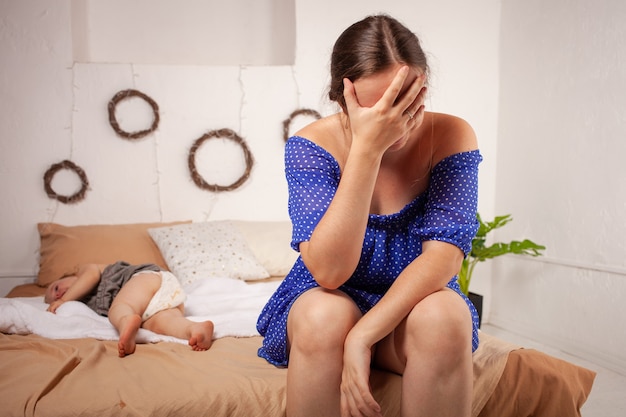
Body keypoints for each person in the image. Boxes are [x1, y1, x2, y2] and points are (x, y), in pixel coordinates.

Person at [256, 14, 481, 417]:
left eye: (404, 103)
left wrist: (363, 336)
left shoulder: (452, 135)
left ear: (423, 88)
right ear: (341, 98)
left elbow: (444, 257)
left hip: (409, 310)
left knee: (447, 315)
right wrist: (367, 151)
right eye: (373, 109)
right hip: (330, 301)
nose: (391, 123)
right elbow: (328, 271)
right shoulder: (310, 146)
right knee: (326, 314)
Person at [45, 261, 214, 357]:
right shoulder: (86, 302)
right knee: (161, 324)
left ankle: (125, 320)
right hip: (165, 294)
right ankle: (194, 329)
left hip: (148, 278)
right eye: (55, 298)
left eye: (56, 288)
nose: (58, 294)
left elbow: (91, 275)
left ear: (68, 277)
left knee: (121, 307)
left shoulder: (85, 270)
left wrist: (65, 299)